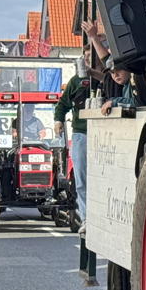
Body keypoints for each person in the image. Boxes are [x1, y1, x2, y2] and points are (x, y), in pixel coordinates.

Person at [54, 59, 93, 231]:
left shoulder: (106, 76)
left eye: (90, 56)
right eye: (85, 57)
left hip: (103, 132)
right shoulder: (76, 81)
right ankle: (85, 218)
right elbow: (62, 104)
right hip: (81, 133)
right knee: (81, 179)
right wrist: (58, 120)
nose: (88, 61)